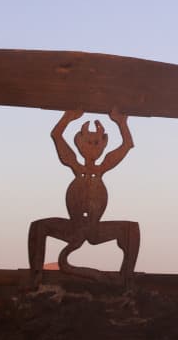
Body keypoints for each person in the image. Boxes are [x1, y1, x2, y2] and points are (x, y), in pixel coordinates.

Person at [27, 108, 141, 275]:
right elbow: (56, 136)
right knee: (39, 227)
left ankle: (126, 277)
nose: (92, 146)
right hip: (73, 227)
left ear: (103, 144)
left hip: (95, 229)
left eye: (96, 143)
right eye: (88, 142)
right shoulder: (73, 163)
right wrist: (67, 118)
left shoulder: (104, 165)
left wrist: (122, 124)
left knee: (131, 229)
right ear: (79, 143)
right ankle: (35, 276)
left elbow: (127, 145)